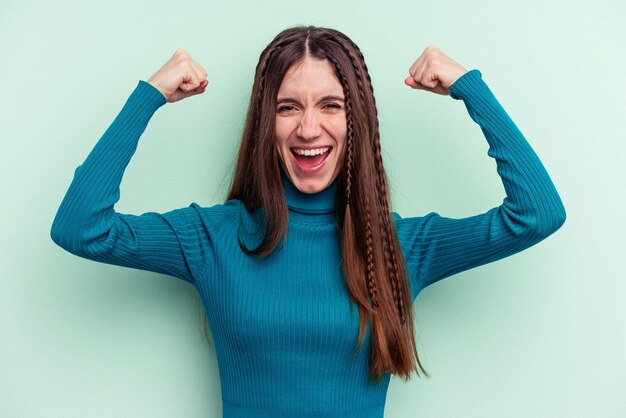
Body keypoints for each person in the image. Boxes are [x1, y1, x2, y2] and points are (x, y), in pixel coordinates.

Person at [50, 26, 566, 418]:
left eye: (331, 105)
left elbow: (537, 213)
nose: (308, 128)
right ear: (265, 123)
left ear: (355, 120)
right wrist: (150, 96)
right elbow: (81, 227)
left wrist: (467, 87)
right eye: (287, 107)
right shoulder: (213, 238)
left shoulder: (400, 246)